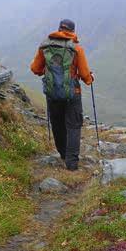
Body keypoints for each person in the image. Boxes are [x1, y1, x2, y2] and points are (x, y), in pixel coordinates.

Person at [30, 19, 93, 171]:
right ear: (72, 31)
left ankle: (63, 155)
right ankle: (71, 164)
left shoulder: (45, 46)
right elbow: (84, 74)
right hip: (72, 94)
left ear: (59, 29)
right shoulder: (76, 49)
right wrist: (90, 78)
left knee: (57, 124)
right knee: (73, 126)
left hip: (52, 94)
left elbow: (35, 69)